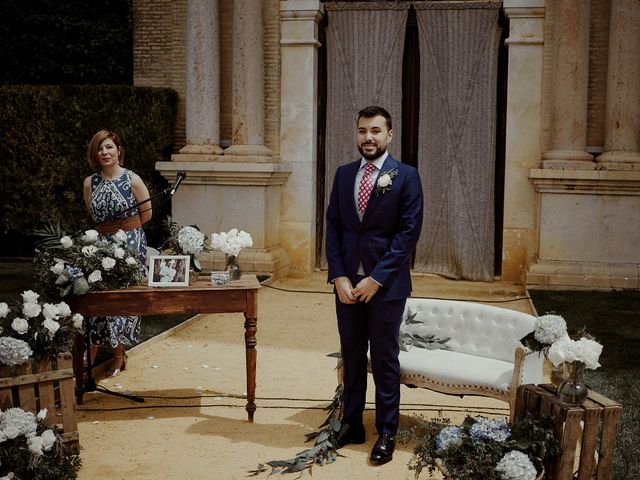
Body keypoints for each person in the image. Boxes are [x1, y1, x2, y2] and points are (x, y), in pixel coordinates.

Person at [325, 106, 423, 465]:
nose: (368, 137)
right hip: (347, 286)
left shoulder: (406, 176)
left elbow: (408, 233)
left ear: (389, 135)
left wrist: (376, 278)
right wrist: (338, 276)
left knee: (384, 359)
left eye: (376, 131)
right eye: (363, 131)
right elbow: (333, 227)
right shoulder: (343, 174)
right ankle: (351, 424)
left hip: (386, 287)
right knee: (351, 357)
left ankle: (386, 432)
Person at [83, 129, 152, 377]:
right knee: (99, 299)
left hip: (131, 246)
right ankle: (89, 356)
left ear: (118, 150)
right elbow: (94, 215)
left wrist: (128, 236)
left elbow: (147, 214)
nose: (105, 152)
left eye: (109, 147)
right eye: (100, 148)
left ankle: (118, 355)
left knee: (121, 301)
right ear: (95, 153)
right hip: (102, 246)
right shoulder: (90, 183)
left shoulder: (132, 180)